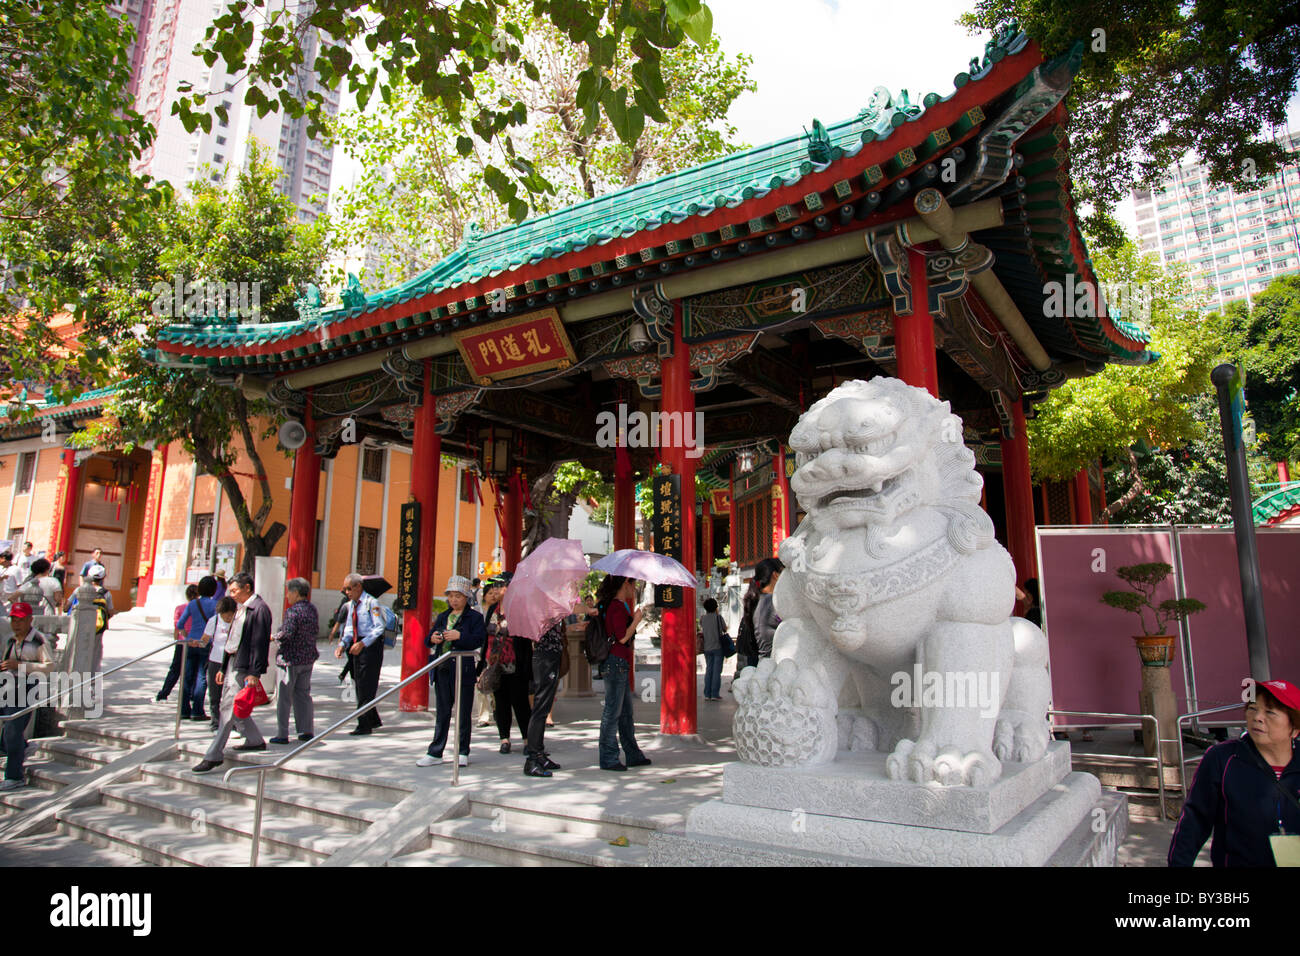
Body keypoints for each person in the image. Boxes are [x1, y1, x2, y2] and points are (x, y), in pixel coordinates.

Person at [1169, 678, 1300, 867]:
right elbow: (1194, 821)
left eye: (1270, 712)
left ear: (1294, 729)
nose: (1257, 717)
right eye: (1253, 708)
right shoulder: (1222, 758)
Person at [192, 571, 271, 773]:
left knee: (227, 707)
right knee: (235, 705)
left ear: (247, 588)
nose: (232, 594)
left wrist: (255, 671)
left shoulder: (259, 609)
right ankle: (254, 739)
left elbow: (259, 643)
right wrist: (224, 664)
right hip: (232, 661)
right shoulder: (239, 608)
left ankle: (214, 754)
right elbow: (232, 639)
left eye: (235, 590)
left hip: (245, 665)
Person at [418, 576, 485, 767]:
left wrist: (460, 636)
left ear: (466, 597)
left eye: (458, 596)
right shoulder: (443, 616)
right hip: (442, 668)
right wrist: (434, 638)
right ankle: (435, 752)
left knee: (463, 712)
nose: (454, 600)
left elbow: (478, 640)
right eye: (451, 596)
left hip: (462, 668)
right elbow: (427, 639)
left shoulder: (475, 618)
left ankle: (462, 751)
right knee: (443, 711)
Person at [595, 574, 651, 772]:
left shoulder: (611, 606)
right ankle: (608, 756)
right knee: (613, 711)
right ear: (625, 584)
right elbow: (621, 637)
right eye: (632, 584)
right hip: (616, 662)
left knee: (625, 712)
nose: (633, 588)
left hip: (617, 663)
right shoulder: (616, 606)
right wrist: (636, 620)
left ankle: (632, 753)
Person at [0, 603, 55, 790]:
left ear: (30, 620)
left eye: (21, 620)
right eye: (14, 619)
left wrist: (20, 666)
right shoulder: (10, 639)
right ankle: (22, 747)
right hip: (6, 686)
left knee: (12, 730)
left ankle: (15, 776)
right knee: (7, 730)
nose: (16, 624)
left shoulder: (39, 641)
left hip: (27, 688)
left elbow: (48, 666)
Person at [482, 573, 531, 755]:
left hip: (515, 663)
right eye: (497, 585)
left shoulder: (518, 610)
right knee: (500, 703)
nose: (497, 589)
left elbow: (525, 640)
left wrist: (527, 668)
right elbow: (484, 638)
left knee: (520, 703)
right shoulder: (492, 610)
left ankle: (527, 739)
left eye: (502, 585)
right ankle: (504, 739)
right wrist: (482, 663)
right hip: (496, 663)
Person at [334, 572, 386, 735]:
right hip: (356, 644)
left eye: (349, 589)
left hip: (370, 646)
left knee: (366, 685)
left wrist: (363, 643)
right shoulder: (353, 605)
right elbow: (349, 626)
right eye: (345, 589)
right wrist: (343, 644)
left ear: (358, 586)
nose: (347, 592)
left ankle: (364, 723)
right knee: (359, 682)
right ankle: (372, 718)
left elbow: (379, 628)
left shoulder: (372, 603)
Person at [271, 577, 318, 745]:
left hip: (290, 660)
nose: (287, 596)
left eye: (289, 592)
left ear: (296, 593)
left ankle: (282, 733)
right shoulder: (312, 609)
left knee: (284, 697)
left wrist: (275, 637)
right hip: (307, 658)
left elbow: (287, 634)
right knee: (303, 695)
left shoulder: (292, 612)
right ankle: (306, 730)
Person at [523, 616, 568, 778]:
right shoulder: (544, 603)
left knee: (544, 705)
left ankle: (539, 755)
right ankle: (533, 758)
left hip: (551, 654)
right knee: (540, 708)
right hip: (545, 656)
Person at [174, 575, 218, 721]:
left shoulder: (192, 604)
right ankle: (197, 710)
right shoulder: (215, 605)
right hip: (205, 642)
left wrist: (187, 636)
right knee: (201, 676)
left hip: (191, 642)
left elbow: (180, 624)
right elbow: (216, 625)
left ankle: (183, 709)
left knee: (187, 676)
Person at [157, 584, 199, 704]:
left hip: (182, 641)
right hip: (196, 642)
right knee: (194, 670)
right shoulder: (200, 608)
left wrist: (176, 640)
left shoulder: (180, 608)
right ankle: (191, 694)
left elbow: (177, 626)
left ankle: (164, 693)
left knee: (175, 669)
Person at [201, 596, 238, 730]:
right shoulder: (214, 621)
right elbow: (205, 639)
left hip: (232, 662)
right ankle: (215, 722)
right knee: (214, 694)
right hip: (215, 660)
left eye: (230, 615)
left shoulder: (237, 622)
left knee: (230, 694)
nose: (228, 618)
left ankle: (231, 722)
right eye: (225, 616)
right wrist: (198, 643)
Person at [752, 557, 783, 660]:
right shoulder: (772, 601)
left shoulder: (760, 599)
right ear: (775, 575)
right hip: (775, 663)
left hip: (766, 661)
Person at [700, 597, 726, 701]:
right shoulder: (718, 617)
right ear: (716, 607)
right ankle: (715, 694)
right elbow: (724, 628)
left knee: (709, 669)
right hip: (718, 646)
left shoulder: (703, 618)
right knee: (717, 671)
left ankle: (707, 693)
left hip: (707, 647)